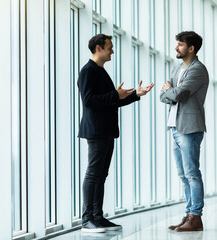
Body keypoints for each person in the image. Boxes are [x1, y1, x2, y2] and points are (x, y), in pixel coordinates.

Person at [78, 34, 154, 233]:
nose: (112, 51)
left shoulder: (101, 71)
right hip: (96, 130)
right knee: (94, 173)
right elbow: (89, 101)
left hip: (106, 129)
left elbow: (111, 100)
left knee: (101, 174)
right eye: (109, 47)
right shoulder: (87, 71)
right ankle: (87, 219)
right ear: (97, 48)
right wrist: (114, 95)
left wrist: (135, 94)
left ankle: (97, 216)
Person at [160, 31, 209, 232]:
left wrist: (169, 91)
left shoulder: (198, 70)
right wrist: (169, 92)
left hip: (189, 128)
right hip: (175, 126)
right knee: (183, 175)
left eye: (180, 44)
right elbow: (163, 96)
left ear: (191, 48)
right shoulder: (177, 68)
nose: (176, 48)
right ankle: (189, 214)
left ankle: (196, 216)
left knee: (192, 173)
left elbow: (178, 94)